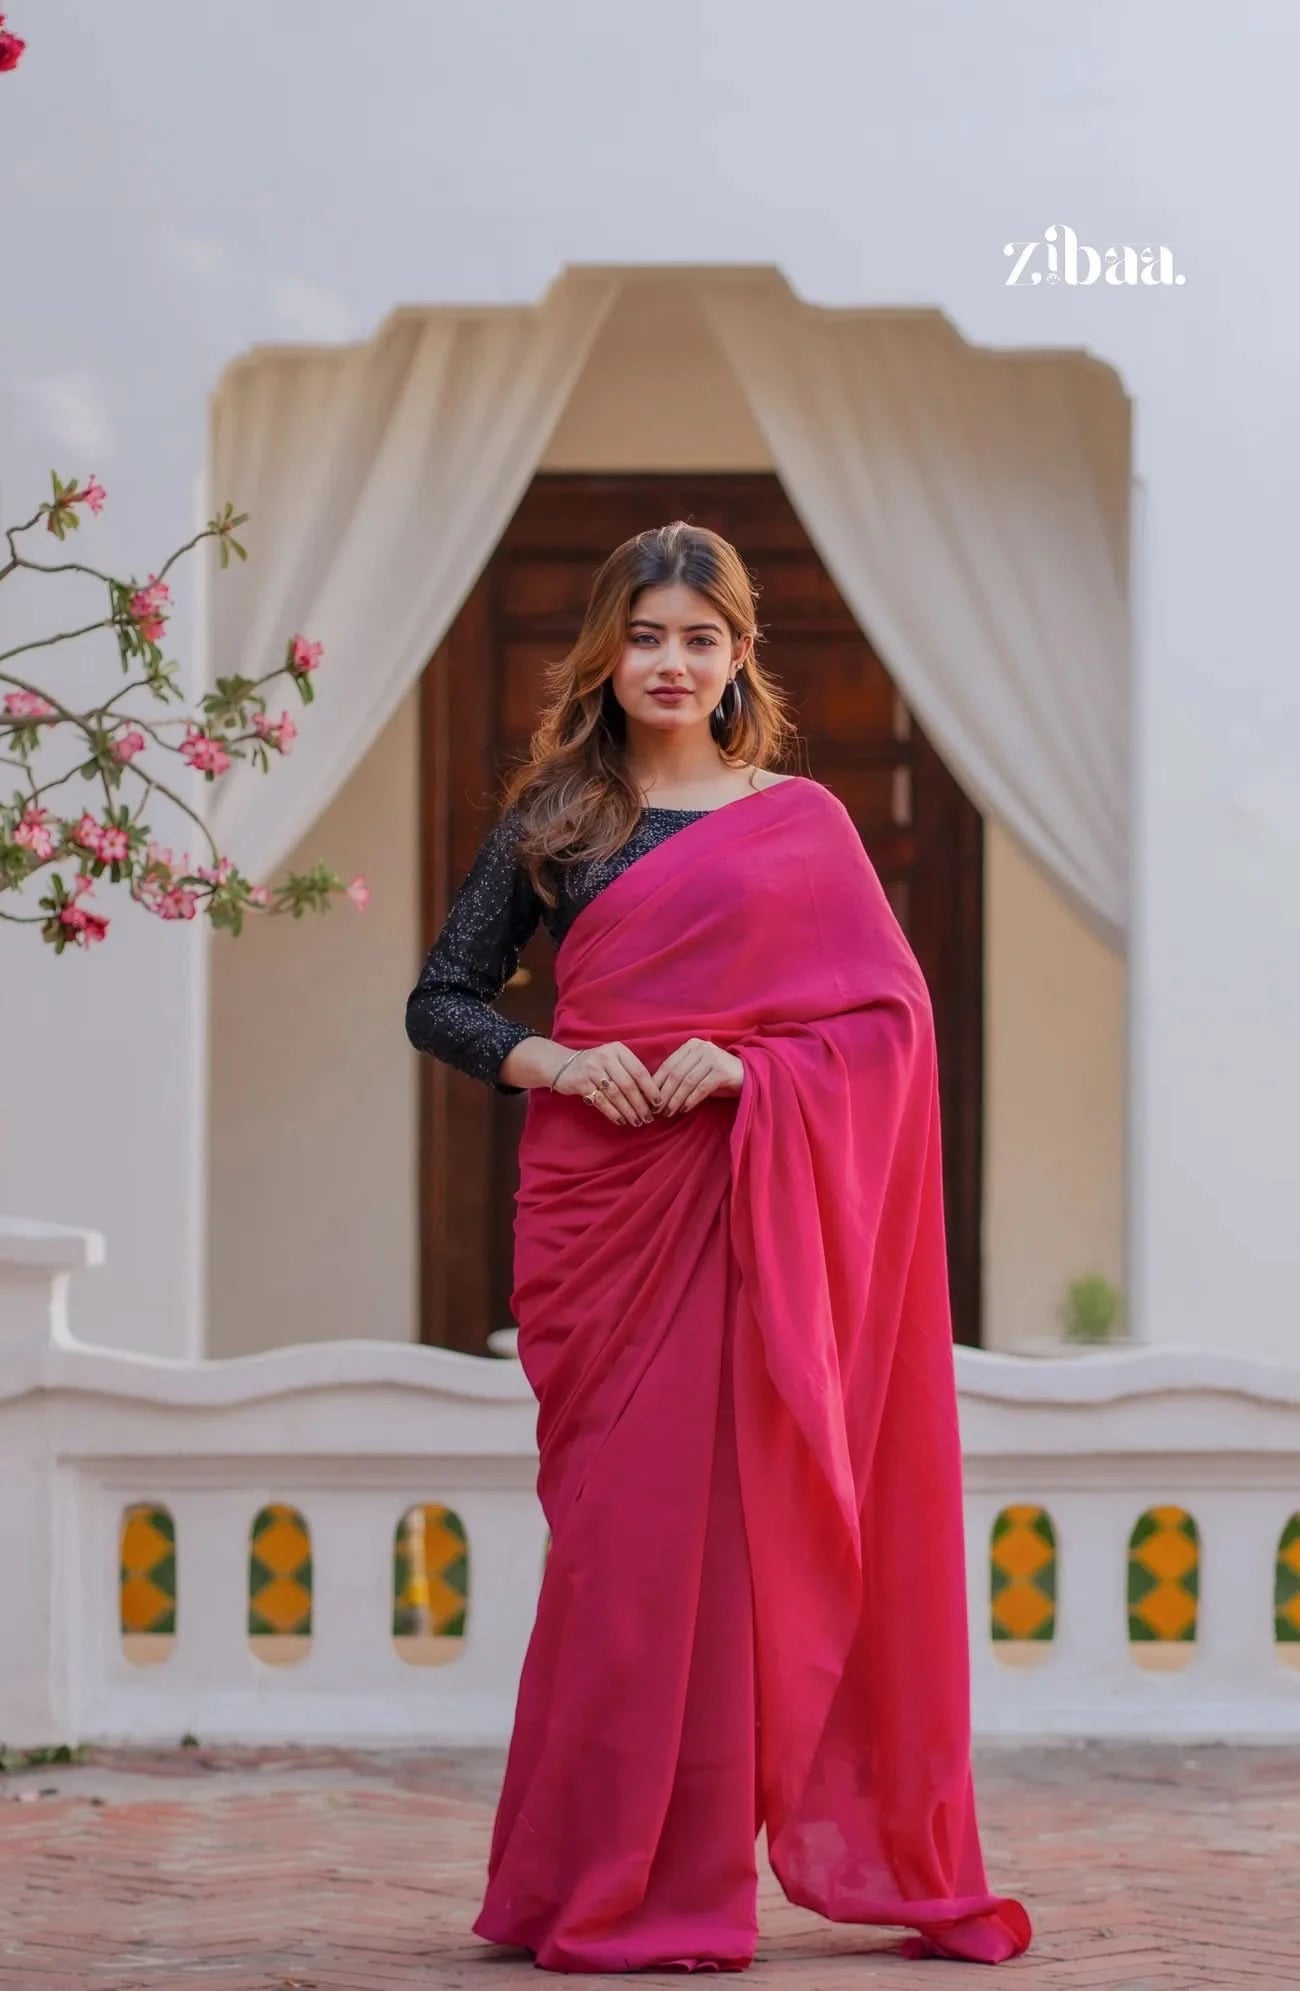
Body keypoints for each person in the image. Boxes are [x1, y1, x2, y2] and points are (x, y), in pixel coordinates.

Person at [404, 521, 1032, 1974]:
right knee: (617, 1569)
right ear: (605, 656)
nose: (671, 663)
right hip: (603, 1224)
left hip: (746, 1219)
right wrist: (556, 1064)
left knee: (728, 1568)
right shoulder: (557, 823)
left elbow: (888, 1028)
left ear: (741, 655)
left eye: (699, 639)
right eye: (645, 637)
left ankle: (684, 1885)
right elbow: (442, 1001)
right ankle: (584, 1882)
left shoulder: (802, 824)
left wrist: (753, 1071)